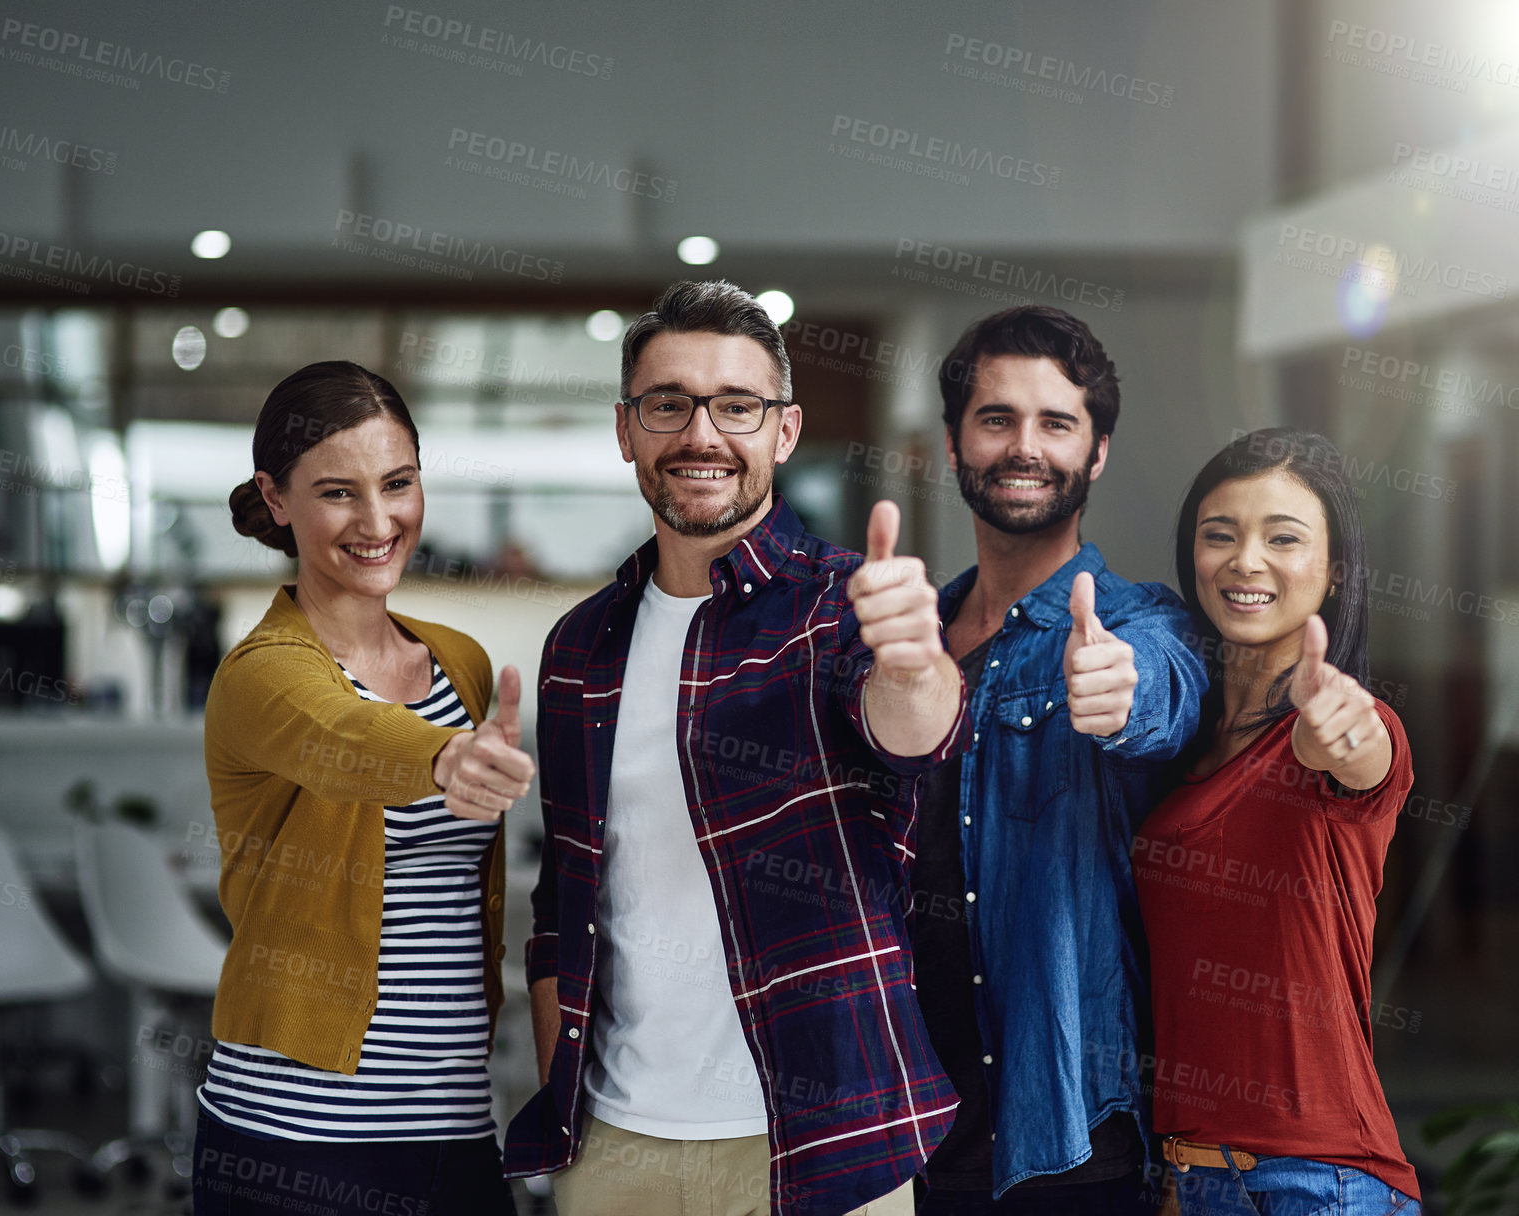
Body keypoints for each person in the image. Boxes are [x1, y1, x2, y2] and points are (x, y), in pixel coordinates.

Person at [503, 280, 968, 1216]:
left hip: (823, 1141)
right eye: (668, 404)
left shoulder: (841, 607)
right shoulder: (579, 647)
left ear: (783, 432)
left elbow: (910, 735)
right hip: (615, 1147)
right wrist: (565, 1097)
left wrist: (916, 664)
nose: (701, 435)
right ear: (626, 429)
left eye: (737, 406)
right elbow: (563, 899)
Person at [194, 361, 534, 1216]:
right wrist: (444, 759)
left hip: (454, 1130)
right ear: (276, 499)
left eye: (399, 483)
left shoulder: (459, 660)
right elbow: (340, 738)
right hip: (296, 1143)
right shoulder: (261, 673)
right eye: (338, 493)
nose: (378, 521)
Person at [911, 306, 1207, 1214]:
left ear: (1098, 450)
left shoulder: (1135, 625)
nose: (1023, 446)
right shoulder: (905, 644)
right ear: (954, 443)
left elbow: (1162, 692)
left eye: (1055, 423)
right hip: (902, 1124)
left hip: (1065, 1134)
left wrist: (1117, 696)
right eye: (996, 419)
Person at [1132, 428, 1421, 1216]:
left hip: (1314, 1181)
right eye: (1217, 535)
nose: (1245, 561)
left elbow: (1356, 748)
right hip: (1188, 1176)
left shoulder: (1349, 732)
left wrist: (1338, 727)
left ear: (1332, 573)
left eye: (1282, 538)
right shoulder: (1176, 749)